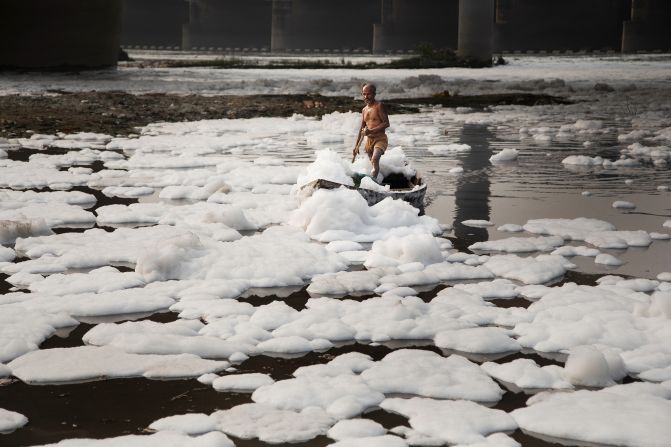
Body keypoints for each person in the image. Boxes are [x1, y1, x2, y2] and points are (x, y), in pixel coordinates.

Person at [353, 83, 390, 181]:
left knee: (375, 158)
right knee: (373, 163)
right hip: (369, 142)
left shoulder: (379, 106)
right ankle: (378, 179)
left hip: (380, 139)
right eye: (364, 94)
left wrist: (371, 131)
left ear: (374, 94)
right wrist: (356, 147)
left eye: (368, 94)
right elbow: (361, 130)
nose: (366, 96)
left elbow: (386, 123)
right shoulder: (364, 110)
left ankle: (373, 183)